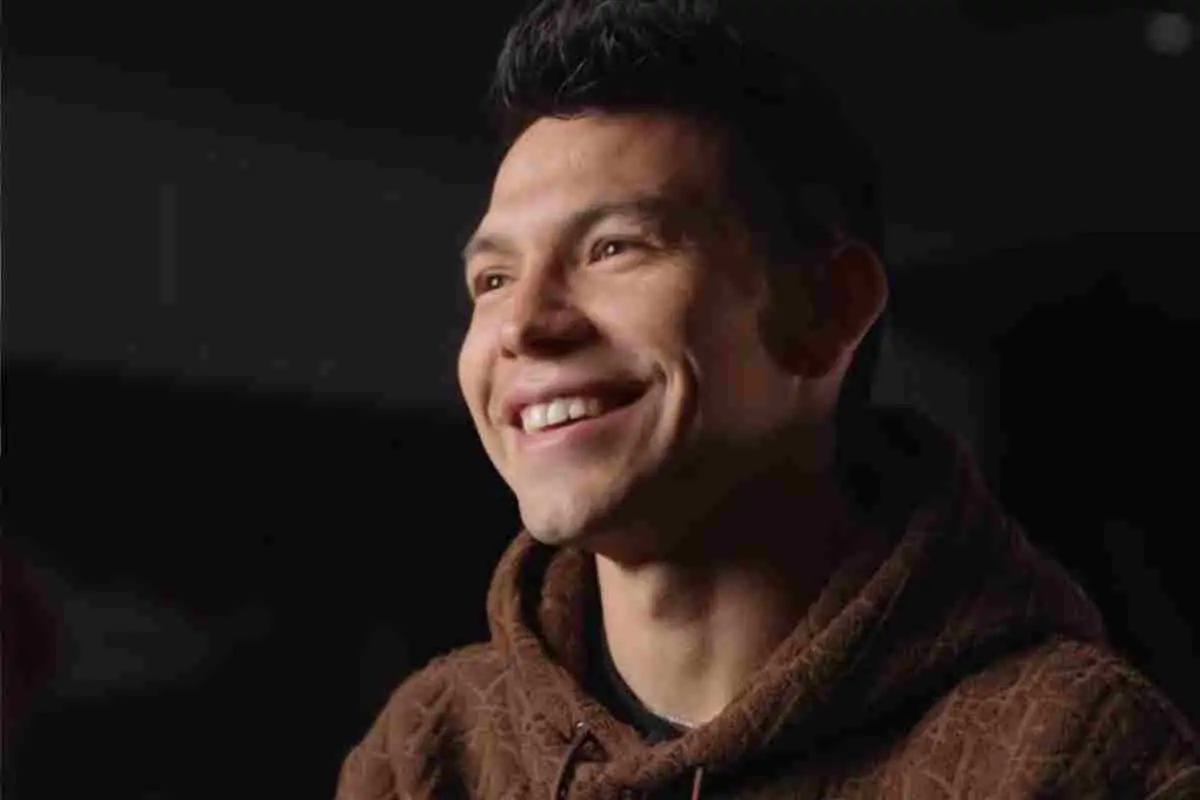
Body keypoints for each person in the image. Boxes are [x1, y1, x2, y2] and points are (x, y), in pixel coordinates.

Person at [337, 1, 1200, 797]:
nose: (524, 325)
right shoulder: (430, 751)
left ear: (827, 311)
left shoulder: (1068, 754)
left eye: (612, 248)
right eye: (493, 278)